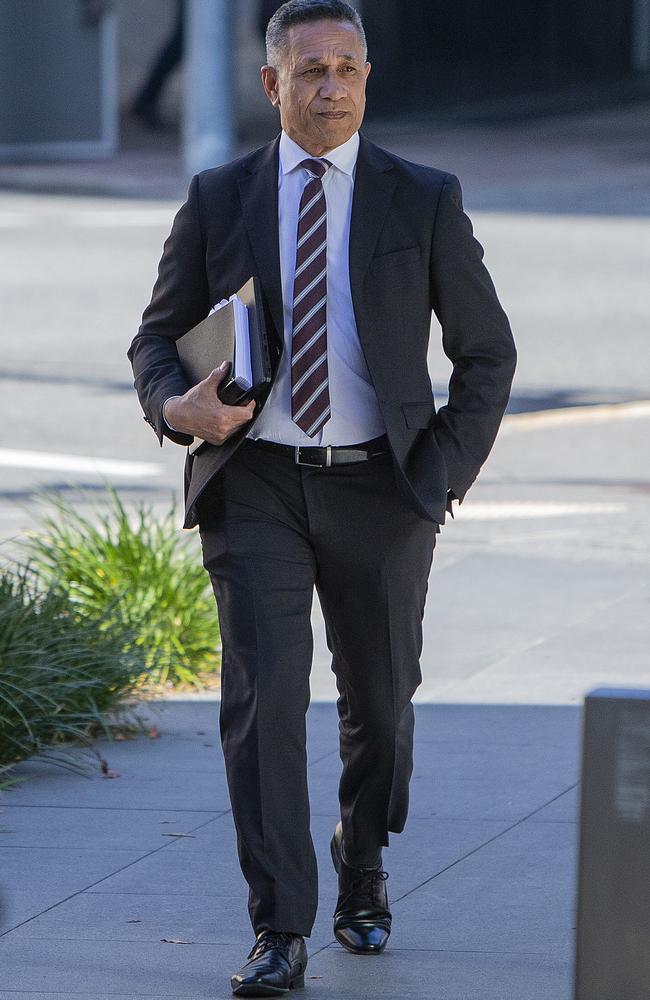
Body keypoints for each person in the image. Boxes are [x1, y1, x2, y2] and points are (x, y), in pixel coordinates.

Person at [128, 1, 517, 994]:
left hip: (382, 490)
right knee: (264, 706)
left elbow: (486, 354)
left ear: (366, 79)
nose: (330, 87)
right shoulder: (219, 197)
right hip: (253, 482)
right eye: (309, 70)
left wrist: (437, 478)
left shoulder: (420, 197)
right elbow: (157, 337)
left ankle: (363, 861)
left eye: (346, 67)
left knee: (380, 710)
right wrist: (180, 409)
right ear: (272, 86)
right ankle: (279, 928)